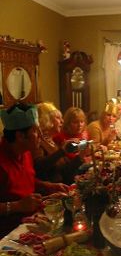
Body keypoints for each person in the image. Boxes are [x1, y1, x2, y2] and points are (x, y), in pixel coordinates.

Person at [0, 103, 69, 238]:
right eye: (36, 131)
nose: (41, 135)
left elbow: (24, 180)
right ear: (20, 136)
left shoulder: (25, 153)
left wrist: (49, 186)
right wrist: (16, 206)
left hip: (32, 221)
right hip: (9, 235)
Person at [32, 102, 83, 185]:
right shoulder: (38, 143)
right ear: (47, 120)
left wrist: (81, 156)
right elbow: (39, 167)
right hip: (50, 193)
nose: (62, 121)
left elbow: (65, 171)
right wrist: (62, 151)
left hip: (63, 187)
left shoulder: (52, 141)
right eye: (58, 118)